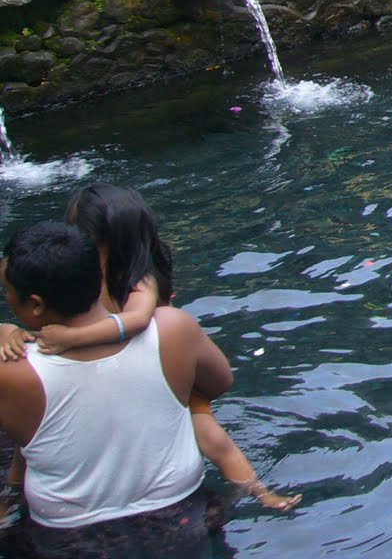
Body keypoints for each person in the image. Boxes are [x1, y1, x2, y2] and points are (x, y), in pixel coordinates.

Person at [0, 185, 298, 511]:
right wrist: (10, 331)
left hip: (159, 375)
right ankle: (12, 496)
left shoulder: (138, 281)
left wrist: (73, 339)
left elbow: (138, 321)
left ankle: (258, 490)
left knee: (211, 435)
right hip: (128, 381)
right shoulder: (82, 282)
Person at [0, 221, 234, 530]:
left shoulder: (11, 369)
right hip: (182, 517)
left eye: (8, 295)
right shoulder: (173, 329)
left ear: (35, 304)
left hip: (68, 538)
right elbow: (219, 384)